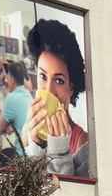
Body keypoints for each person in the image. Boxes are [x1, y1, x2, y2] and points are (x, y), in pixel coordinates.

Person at [25, 18, 89, 178]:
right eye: (43, 76)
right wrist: (36, 145)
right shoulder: (28, 129)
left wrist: (60, 152)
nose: (49, 90)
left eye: (59, 81)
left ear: (71, 88)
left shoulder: (83, 143)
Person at [0, 60, 32, 162]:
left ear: (11, 78)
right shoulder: (28, 94)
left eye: (8, 76)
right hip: (30, 154)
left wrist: (9, 125)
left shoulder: (11, 97)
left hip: (20, 156)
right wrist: (12, 125)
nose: (7, 79)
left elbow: (0, 127)